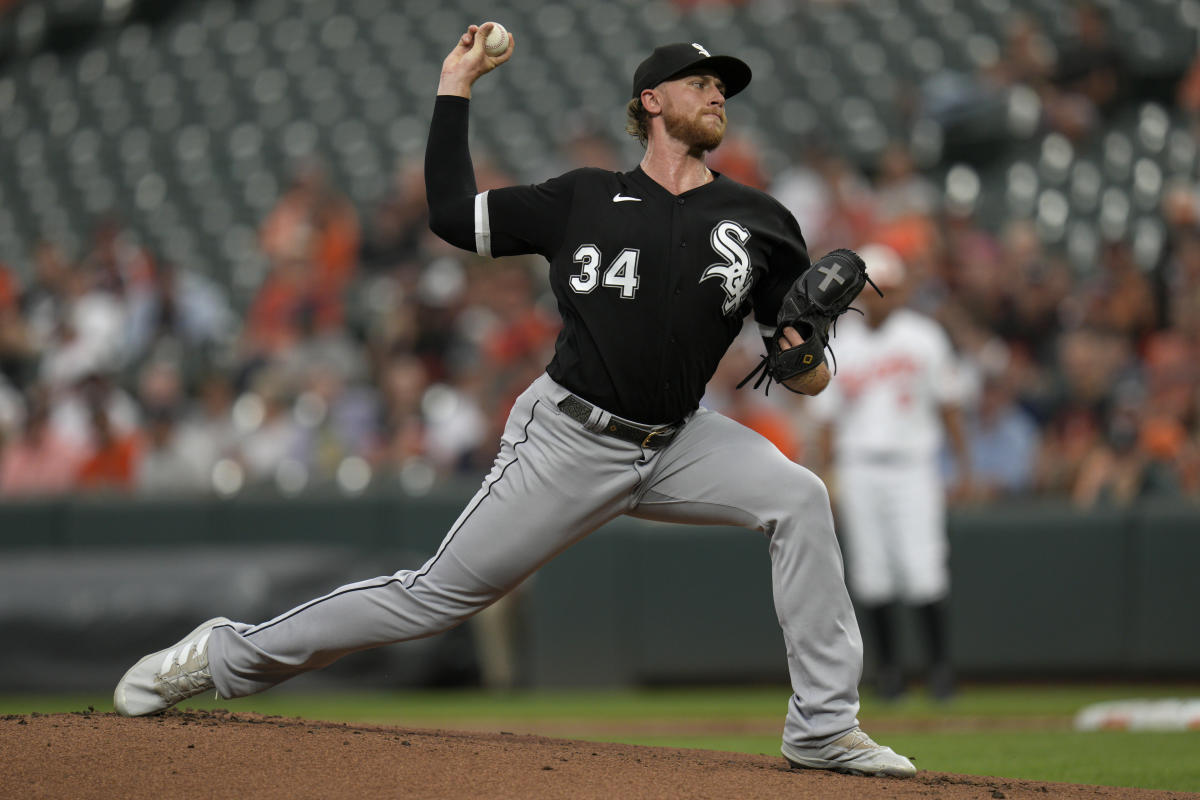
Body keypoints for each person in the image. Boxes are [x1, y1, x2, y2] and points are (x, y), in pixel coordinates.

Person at [113, 27, 916, 779]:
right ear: (650, 103)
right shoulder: (583, 198)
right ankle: (222, 655)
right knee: (432, 597)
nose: (717, 95)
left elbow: (803, 372)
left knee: (800, 498)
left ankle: (821, 726)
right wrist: (454, 86)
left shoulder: (761, 221)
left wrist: (803, 350)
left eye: (722, 87)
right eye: (698, 82)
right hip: (569, 438)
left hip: (681, 442)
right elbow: (450, 215)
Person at [808, 243, 971, 702]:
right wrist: (827, 476)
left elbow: (951, 405)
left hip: (914, 464)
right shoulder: (840, 339)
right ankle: (890, 674)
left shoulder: (923, 336)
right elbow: (826, 421)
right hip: (859, 465)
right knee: (872, 573)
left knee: (924, 568)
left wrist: (963, 467)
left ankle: (940, 672)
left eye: (891, 288)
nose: (884, 295)